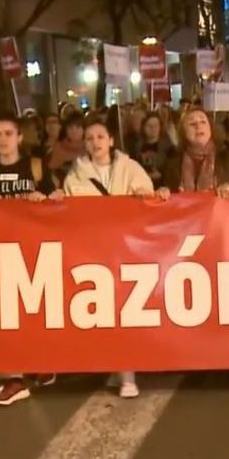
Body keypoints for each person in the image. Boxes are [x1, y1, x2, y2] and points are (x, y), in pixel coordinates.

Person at [0, 115, 63, 406]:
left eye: (9, 133)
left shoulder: (35, 166)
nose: (3, 139)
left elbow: (54, 201)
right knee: (6, 313)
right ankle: (15, 377)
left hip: (32, 248)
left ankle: (39, 362)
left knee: (33, 309)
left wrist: (48, 197)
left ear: (20, 138)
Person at [64, 117, 159, 398]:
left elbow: (149, 200)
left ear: (111, 141)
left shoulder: (130, 168)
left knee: (124, 311)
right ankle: (114, 366)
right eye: (90, 138)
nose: (95, 142)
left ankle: (127, 374)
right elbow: (68, 211)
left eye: (100, 137)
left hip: (126, 251)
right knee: (104, 313)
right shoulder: (76, 174)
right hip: (94, 253)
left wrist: (147, 195)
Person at [160, 108, 229, 195]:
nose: (198, 126)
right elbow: (166, 191)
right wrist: (164, 191)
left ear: (210, 128)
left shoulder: (228, 157)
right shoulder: (173, 161)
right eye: (192, 124)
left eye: (203, 122)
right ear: (183, 131)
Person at [130, 113, 173, 189]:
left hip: (162, 187)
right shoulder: (136, 147)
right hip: (142, 186)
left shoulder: (169, 147)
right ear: (143, 127)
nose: (153, 128)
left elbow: (172, 170)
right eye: (149, 125)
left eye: (156, 125)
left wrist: (162, 175)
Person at [48, 112, 85, 182]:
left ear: (84, 129)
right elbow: (51, 171)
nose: (74, 131)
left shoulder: (89, 147)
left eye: (78, 127)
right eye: (70, 127)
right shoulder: (59, 147)